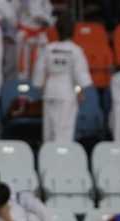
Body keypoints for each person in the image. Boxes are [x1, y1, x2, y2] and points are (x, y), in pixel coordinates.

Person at [32, 12, 92, 143]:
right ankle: (61, 153)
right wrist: (81, 91)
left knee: (49, 129)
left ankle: (49, 151)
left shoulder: (48, 48)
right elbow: (79, 74)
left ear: (57, 30)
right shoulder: (75, 50)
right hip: (67, 91)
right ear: (73, 31)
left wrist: (41, 87)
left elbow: (39, 70)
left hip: (50, 90)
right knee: (64, 129)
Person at [13, 0, 55, 81]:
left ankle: (35, 86)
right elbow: (12, 13)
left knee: (38, 66)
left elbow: (50, 17)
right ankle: (22, 86)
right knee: (22, 68)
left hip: (39, 37)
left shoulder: (45, 2)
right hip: (24, 34)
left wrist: (44, 20)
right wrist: (19, 26)